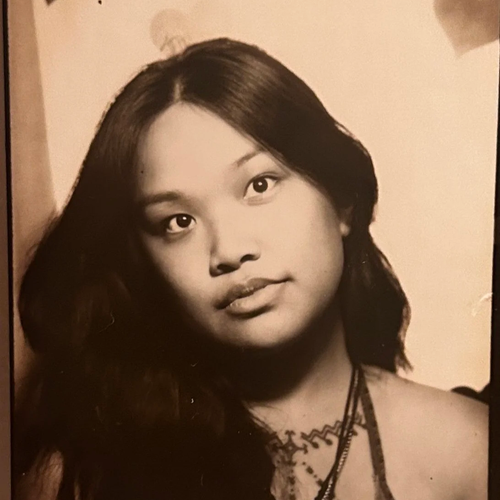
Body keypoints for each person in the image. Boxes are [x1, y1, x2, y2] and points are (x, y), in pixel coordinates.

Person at [14, 38, 487, 500]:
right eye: (178, 222)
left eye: (259, 185)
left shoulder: (470, 449)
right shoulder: (75, 479)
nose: (229, 250)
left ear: (342, 199)